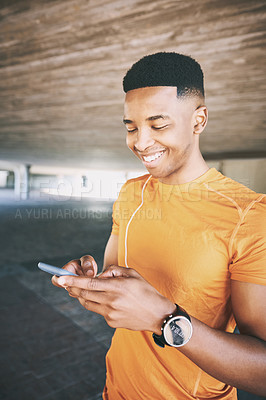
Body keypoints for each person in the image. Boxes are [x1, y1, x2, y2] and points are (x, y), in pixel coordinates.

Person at [52, 52, 266, 399]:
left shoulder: (249, 215)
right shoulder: (131, 193)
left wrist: (165, 320)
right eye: (131, 127)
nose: (140, 141)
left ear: (199, 121)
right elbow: (115, 274)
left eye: (158, 124)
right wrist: (92, 281)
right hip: (113, 390)